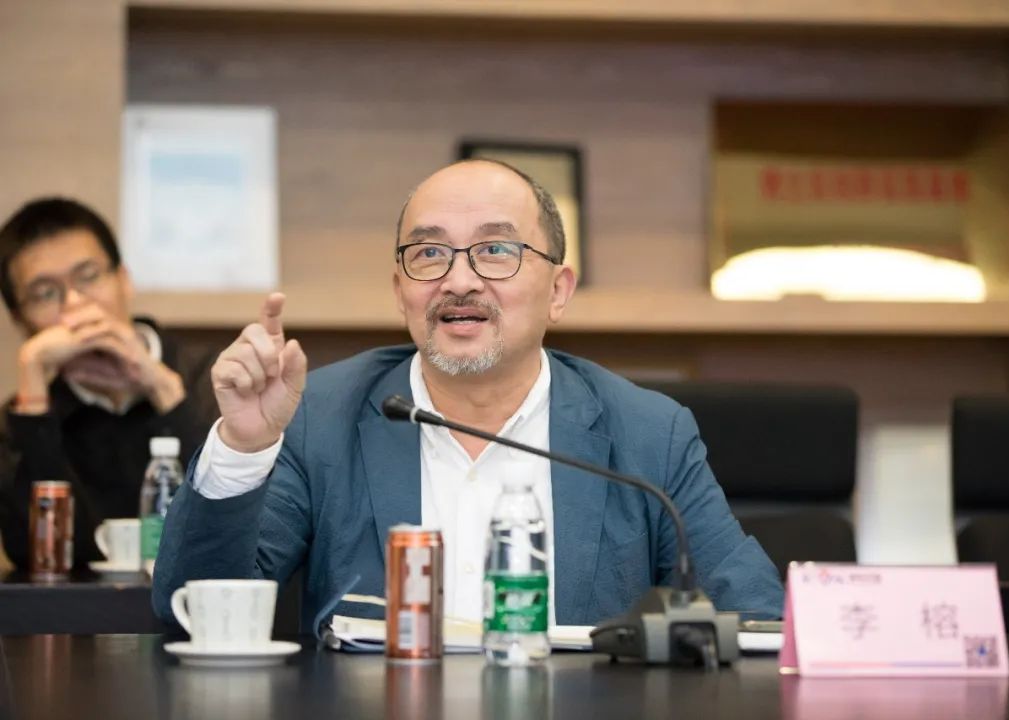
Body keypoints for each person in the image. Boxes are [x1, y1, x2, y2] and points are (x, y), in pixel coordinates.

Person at [152, 160, 784, 633]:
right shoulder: (319, 416)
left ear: (558, 291)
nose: (459, 280)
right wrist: (243, 447)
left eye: (495, 250)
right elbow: (193, 618)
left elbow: (758, 622)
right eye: (430, 253)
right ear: (400, 291)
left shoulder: (648, 433)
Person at [0, 198, 218, 569]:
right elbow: (31, 553)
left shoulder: (212, 377)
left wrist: (161, 387)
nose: (75, 304)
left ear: (124, 280)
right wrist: (32, 383)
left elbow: (241, 518)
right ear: (21, 321)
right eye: (45, 293)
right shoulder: (21, 421)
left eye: (88, 277)